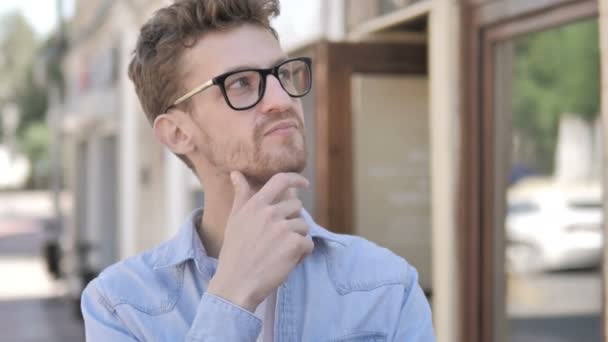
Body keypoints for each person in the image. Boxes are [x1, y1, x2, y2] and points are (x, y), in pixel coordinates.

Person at [80, 0, 435, 341]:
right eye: (240, 84)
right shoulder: (120, 306)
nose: (282, 100)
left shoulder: (387, 287)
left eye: (283, 74)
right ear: (177, 133)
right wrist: (232, 296)